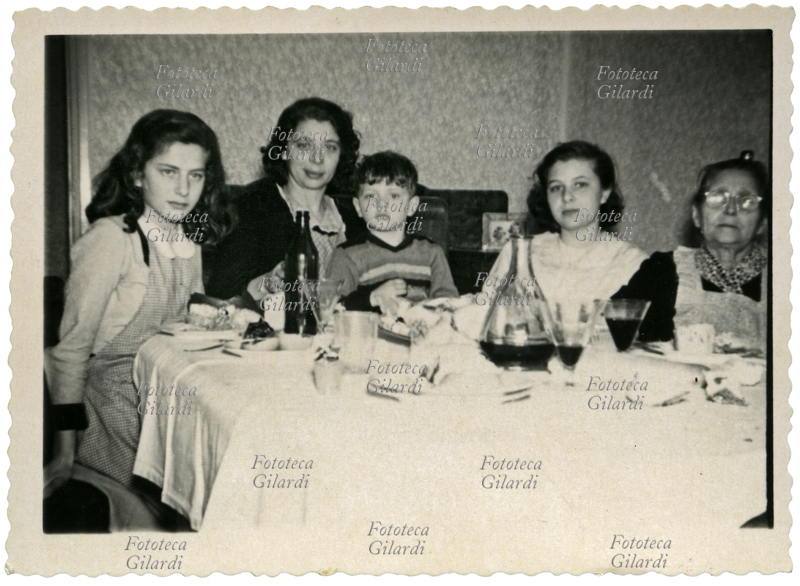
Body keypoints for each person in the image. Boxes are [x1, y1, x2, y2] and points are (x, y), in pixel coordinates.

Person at [44, 109, 232, 495]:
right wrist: (63, 455)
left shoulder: (188, 241)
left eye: (195, 176)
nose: (184, 189)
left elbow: (187, 326)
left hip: (165, 388)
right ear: (136, 174)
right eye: (168, 172)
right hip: (112, 405)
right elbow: (70, 351)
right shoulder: (112, 239)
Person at [484, 140, 676, 342]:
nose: (567, 196)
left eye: (580, 185)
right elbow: (485, 320)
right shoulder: (519, 252)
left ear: (604, 192)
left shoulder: (632, 262)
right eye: (556, 188)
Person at [203, 97, 366, 303]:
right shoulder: (252, 205)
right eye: (304, 145)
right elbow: (220, 296)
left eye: (330, 147)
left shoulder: (356, 214)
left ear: (342, 155)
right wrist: (268, 282)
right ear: (283, 150)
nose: (317, 158)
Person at [328, 151, 459, 315]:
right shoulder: (346, 255)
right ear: (357, 207)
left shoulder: (432, 253)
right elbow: (331, 308)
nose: (382, 204)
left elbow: (450, 305)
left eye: (394, 195)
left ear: (412, 206)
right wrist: (371, 298)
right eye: (370, 196)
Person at [673, 151, 768, 349]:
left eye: (747, 201)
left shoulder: (788, 281)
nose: (731, 210)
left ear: (762, 223)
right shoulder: (661, 272)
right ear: (696, 215)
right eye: (717, 198)